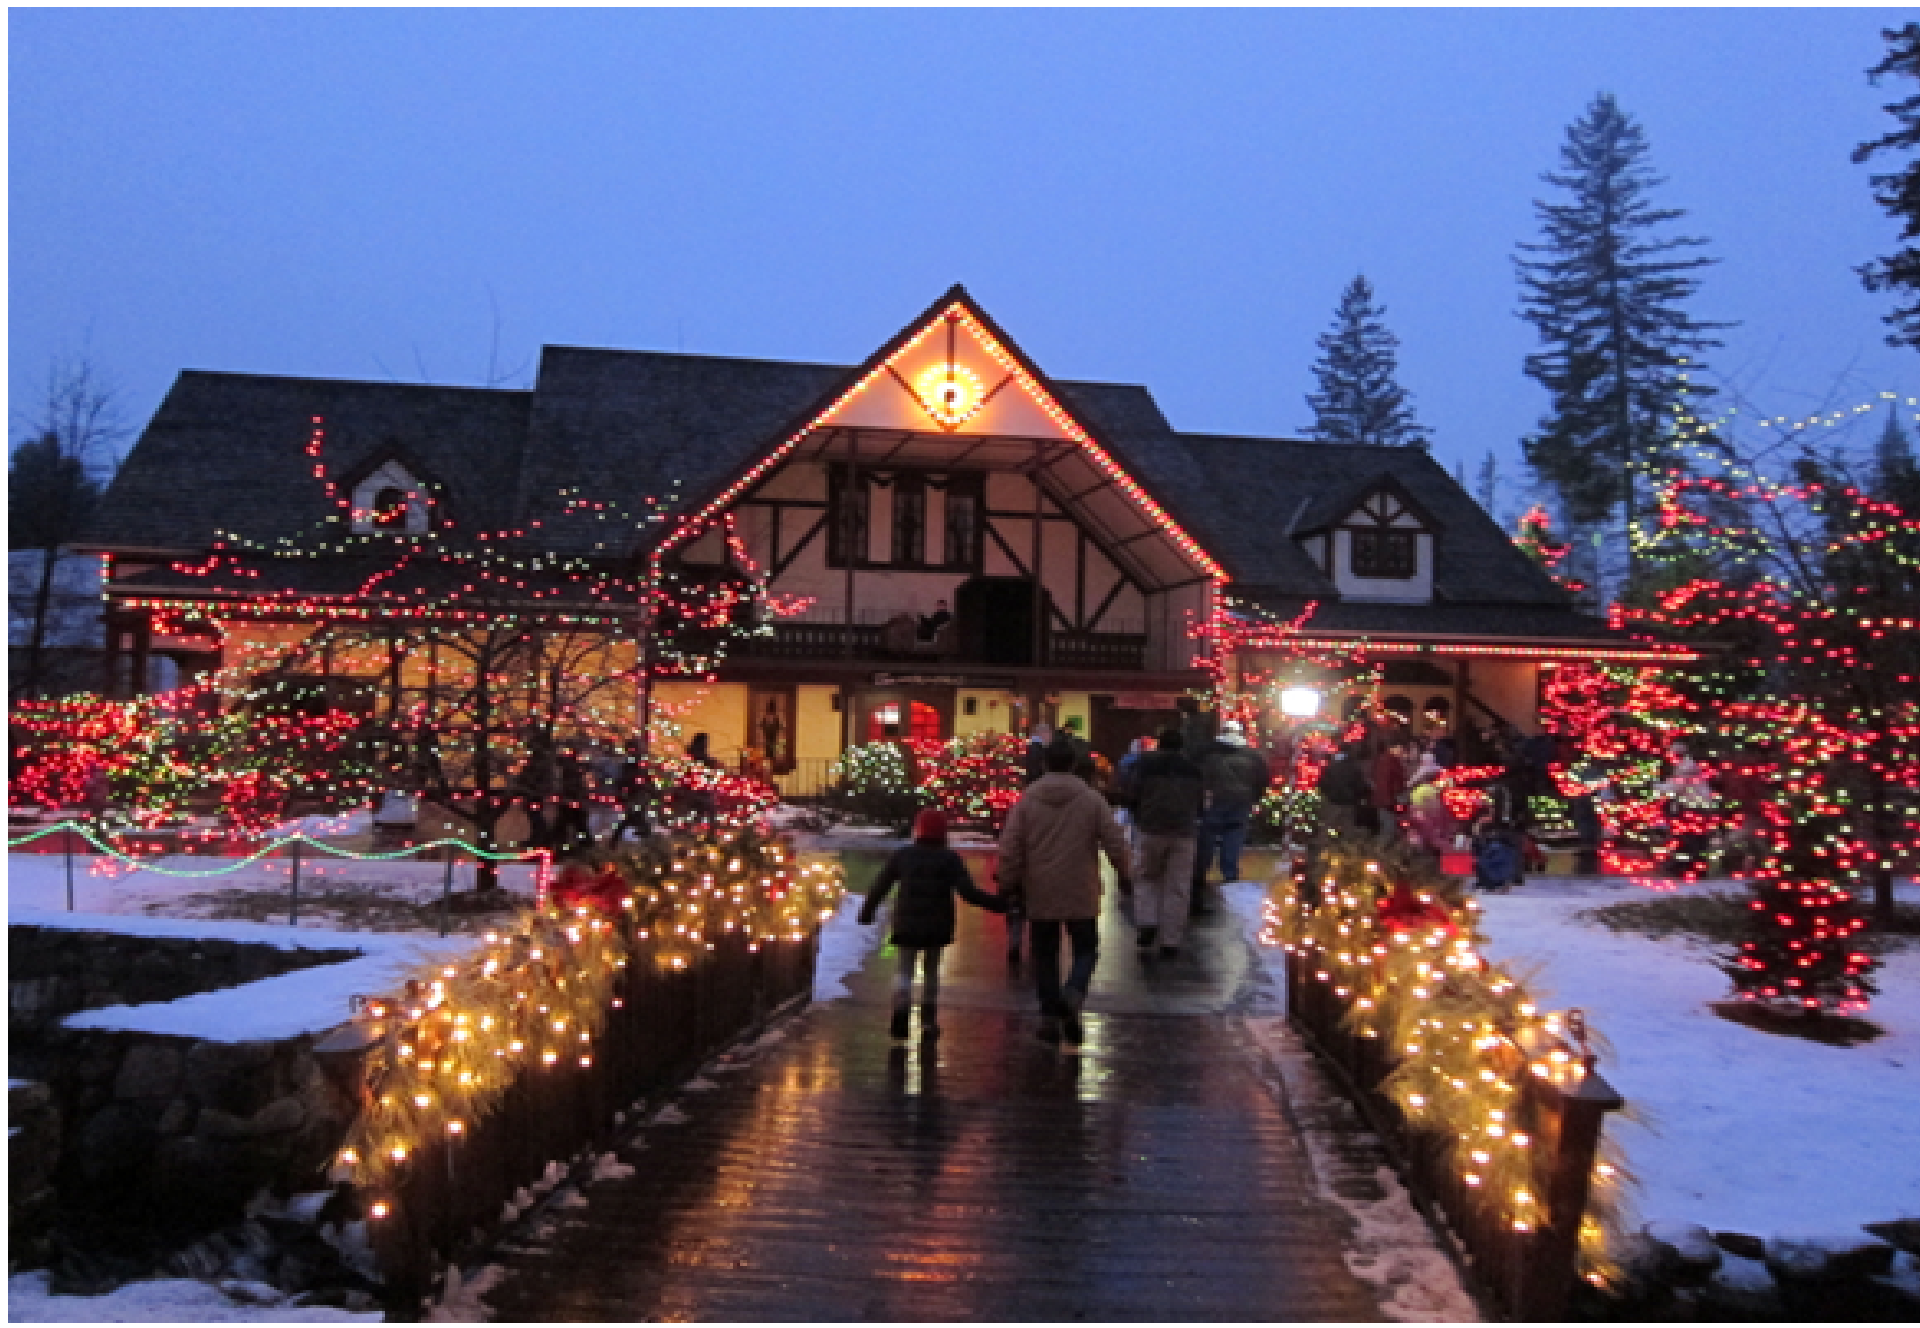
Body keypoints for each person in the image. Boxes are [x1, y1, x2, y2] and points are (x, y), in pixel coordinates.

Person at [997, 734, 1131, 1050]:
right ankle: (1073, 993)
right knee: (1086, 949)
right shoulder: (1091, 800)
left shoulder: (1028, 801)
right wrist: (1125, 874)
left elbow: (1010, 847)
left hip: (1040, 888)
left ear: (1044, 764)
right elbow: (1115, 841)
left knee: (1045, 954)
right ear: (1073, 764)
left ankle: (1048, 1014)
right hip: (1080, 887)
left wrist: (1009, 882)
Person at [859, 807, 1006, 1041]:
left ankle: (900, 1011)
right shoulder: (948, 859)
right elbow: (967, 891)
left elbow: (881, 884)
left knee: (904, 969)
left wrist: (867, 912)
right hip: (936, 924)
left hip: (906, 922)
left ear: (918, 829)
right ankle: (928, 1021)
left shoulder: (903, 855)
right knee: (931, 972)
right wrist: (1000, 905)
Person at [1124, 728, 1205, 957]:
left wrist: (1137, 812)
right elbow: (1200, 803)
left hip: (1150, 828)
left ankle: (1147, 923)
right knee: (1177, 886)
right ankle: (1170, 939)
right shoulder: (1193, 770)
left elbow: (1131, 794)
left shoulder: (1144, 765)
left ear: (1159, 744)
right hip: (1183, 832)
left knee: (1146, 877)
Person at [1192, 720, 1271, 907]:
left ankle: (1201, 872)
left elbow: (1201, 776)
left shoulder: (1210, 755)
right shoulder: (1253, 756)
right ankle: (1230, 873)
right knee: (1234, 835)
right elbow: (1262, 779)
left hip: (1215, 799)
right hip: (1242, 800)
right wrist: (1255, 796)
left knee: (1207, 836)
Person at [608, 739, 655, 847]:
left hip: (638, 796)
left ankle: (616, 840)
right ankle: (616, 840)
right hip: (633, 796)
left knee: (634, 818)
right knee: (632, 818)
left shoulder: (640, 764)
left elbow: (647, 779)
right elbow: (622, 780)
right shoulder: (629, 765)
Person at [1370, 740, 1410, 844]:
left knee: (1390, 825)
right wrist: (1389, 802)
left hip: (1389, 799)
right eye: (1401, 748)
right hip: (1388, 800)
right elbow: (1384, 783)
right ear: (1393, 747)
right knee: (1389, 827)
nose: (1402, 751)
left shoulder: (1390, 760)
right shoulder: (1387, 762)